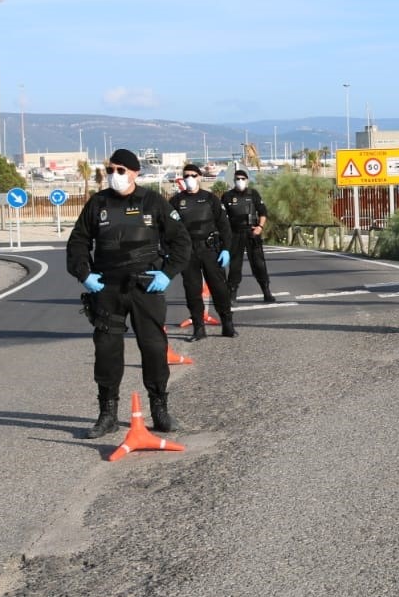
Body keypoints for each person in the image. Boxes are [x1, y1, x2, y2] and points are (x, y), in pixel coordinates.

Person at [67, 147, 192, 438]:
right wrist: (85, 275)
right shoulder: (98, 204)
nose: (115, 176)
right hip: (107, 288)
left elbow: (181, 241)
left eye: (121, 171)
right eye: (110, 170)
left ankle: (160, 410)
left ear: (135, 172)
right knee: (107, 351)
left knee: (153, 348)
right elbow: (78, 243)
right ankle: (107, 414)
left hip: (145, 287)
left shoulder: (153, 201)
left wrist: (167, 273)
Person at [170, 163, 237, 340]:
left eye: (193, 175)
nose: (189, 178)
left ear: (199, 177)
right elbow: (167, 229)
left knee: (219, 288)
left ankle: (227, 324)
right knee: (192, 290)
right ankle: (199, 328)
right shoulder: (176, 202)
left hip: (210, 250)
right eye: (186, 176)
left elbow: (224, 226)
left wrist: (226, 250)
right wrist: (170, 251)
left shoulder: (210, 199)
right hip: (187, 252)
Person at [220, 168, 274, 302]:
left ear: (247, 180)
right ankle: (232, 294)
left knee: (258, 263)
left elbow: (263, 212)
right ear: (233, 181)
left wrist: (260, 227)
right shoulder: (227, 196)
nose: (240, 181)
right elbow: (221, 217)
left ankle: (266, 291)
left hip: (252, 233)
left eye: (242, 179)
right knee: (235, 265)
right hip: (235, 234)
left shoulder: (253, 194)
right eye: (237, 179)